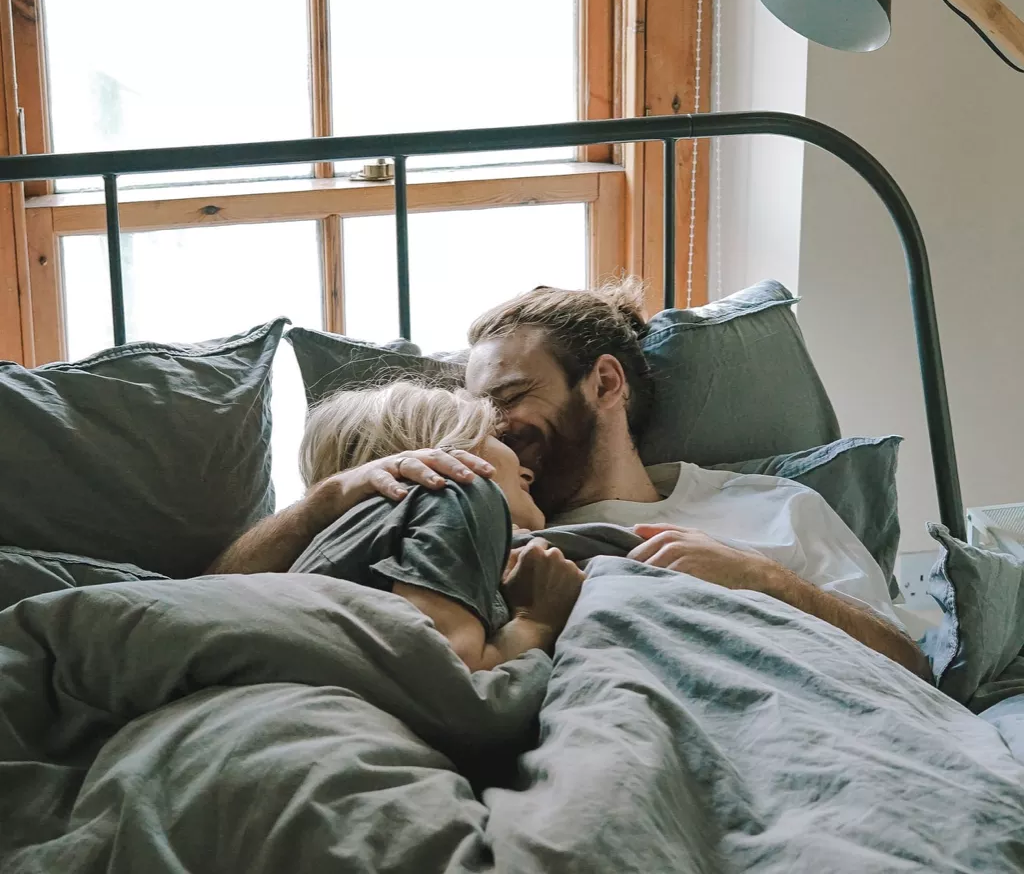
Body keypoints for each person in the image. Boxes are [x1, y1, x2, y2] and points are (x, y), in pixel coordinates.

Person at [462, 278, 931, 679]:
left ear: (605, 383)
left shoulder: (775, 507)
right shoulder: (484, 523)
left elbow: (911, 666)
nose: (491, 427)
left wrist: (761, 578)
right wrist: (387, 476)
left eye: (510, 397)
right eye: (478, 412)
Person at [213, 380, 583, 674]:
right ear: (442, 448)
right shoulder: (454, 494)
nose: (527, 468)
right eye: (497, 438)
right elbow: (452, 673)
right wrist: (537, 623)